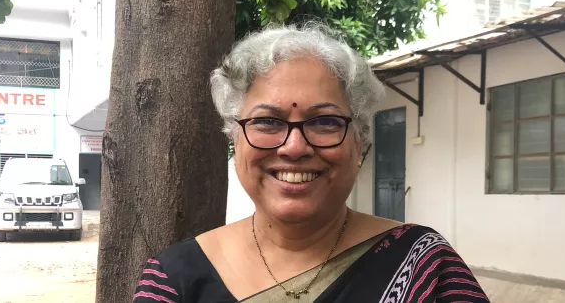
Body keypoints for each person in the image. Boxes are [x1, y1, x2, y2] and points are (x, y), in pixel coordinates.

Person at [132, 25, 489, 303]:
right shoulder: (173, 280)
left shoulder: (424, 268)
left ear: (358, 141)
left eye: (325, 122)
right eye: (267, 122)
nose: (294, 146)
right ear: (234, 137)